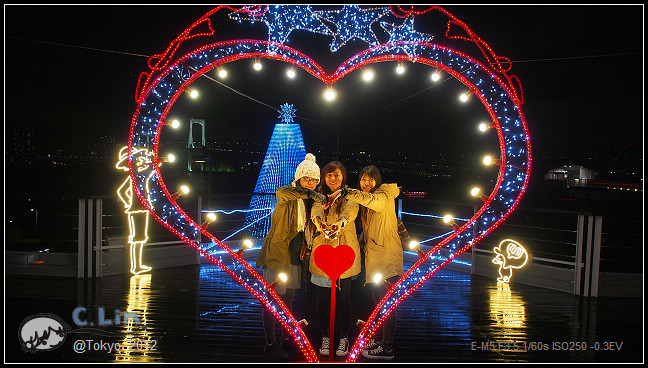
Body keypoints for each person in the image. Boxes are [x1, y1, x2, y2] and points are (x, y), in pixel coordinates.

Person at [256, 153, 328, 360]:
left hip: (296, 256)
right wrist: (312, 194)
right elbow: (283, 193)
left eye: (314, 180)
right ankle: (270, 343)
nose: (311, 183)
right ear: (298, 178)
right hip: (278, 255)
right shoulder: (287, 194)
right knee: (272, 300)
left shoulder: (308, 200)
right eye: (306, 178)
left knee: (288, 300)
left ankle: (286, 338)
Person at [341, 165, 402, 360]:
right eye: (363, 180)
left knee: (386, 305)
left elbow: (372, 201)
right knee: (378, 302)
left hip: (387, 258)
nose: (366, 183)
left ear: (378, 180)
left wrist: (348, 192)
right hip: (377, 257)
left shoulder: (383, 196)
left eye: (370, 180)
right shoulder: (370, 200)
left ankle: (387, 347)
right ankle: (379, 338)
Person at [309, 161, 360, 357]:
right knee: (322, 298)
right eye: (329, 175)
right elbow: (316, 209)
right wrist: (318, 221)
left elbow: (351, 210)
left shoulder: (350, 194)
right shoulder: (320, 195)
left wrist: (340, 222)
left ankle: (344, 337)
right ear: (324, 177)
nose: (333, 179)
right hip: (324, 251)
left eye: (336, 175)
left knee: (344, 298)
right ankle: (325, 336)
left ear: (343, 177)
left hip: (345, 252)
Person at [116, 146, 155, 275]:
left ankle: (137, 265)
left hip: (141, 209)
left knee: (140, 238)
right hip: (136, 210)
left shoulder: (140, 177)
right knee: (136, 238)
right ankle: (136, 266)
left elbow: (151, 170)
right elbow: (122, 191)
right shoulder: (135, 177)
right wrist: (129, 203)